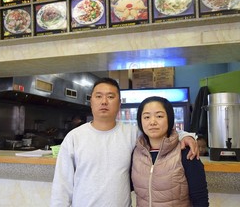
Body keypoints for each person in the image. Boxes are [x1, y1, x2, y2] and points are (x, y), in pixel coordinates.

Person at [50, 77, 199, 207]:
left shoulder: (131, 133)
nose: (104, 101)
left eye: (110, 96)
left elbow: (160, 132)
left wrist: (187, 136)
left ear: (119, 103)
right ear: (91, 102)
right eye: (99, 96)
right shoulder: (74, 137)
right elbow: (61, 187)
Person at [131, 96, 209, 206]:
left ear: (170, 119)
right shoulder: (136, 154)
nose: (152, 122)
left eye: (159, 116)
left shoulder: (185, 153)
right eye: (146, 117)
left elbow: (200, 199)